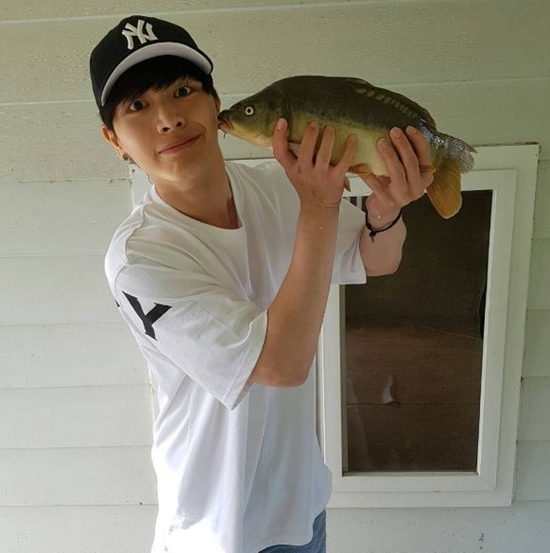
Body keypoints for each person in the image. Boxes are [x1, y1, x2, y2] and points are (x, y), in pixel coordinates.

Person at [89, 15, 433, 553]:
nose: (169, 118)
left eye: (183, 91)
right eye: (137, 106)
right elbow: (280, 365)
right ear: (114, 140)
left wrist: (386, 207)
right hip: (218, 530)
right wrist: (319, 206)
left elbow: (377, 258)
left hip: (303, 511)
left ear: (215, 102)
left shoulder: (279, 185)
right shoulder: (141, 259)